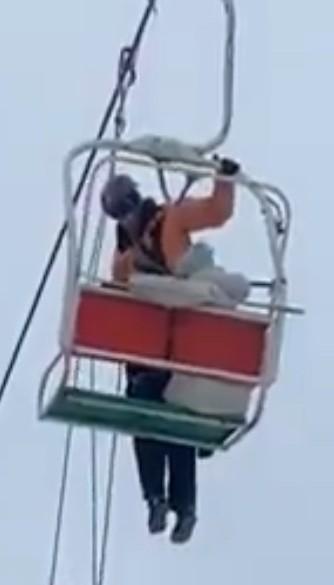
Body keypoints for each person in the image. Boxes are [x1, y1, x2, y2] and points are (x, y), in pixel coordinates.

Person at [102, 158, 243, 544]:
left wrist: (224, 180)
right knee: (145, 416)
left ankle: (186, 508)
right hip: (147, 353)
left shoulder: (171, 220)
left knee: (178, 419)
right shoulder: (124, 259)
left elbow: (215, 212)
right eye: (118, 213)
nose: (127, 217)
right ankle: (155, 499)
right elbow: (118, 297)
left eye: (128, 207)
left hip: (181, 341)